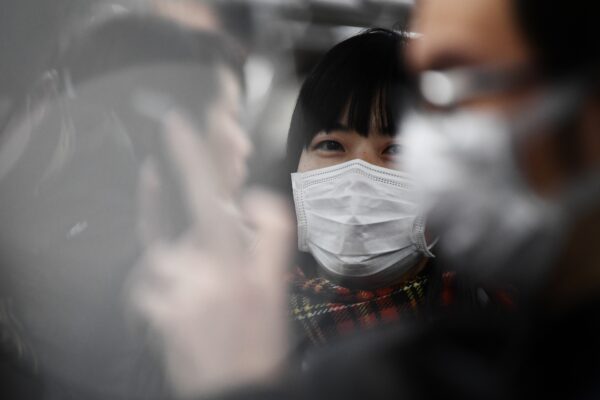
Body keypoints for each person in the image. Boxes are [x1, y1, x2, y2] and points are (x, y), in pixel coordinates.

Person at [0, 14, 292, 400]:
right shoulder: (164, 284)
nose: (244, 145)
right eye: (232, 117)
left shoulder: (44, 231)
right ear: (173, 129)